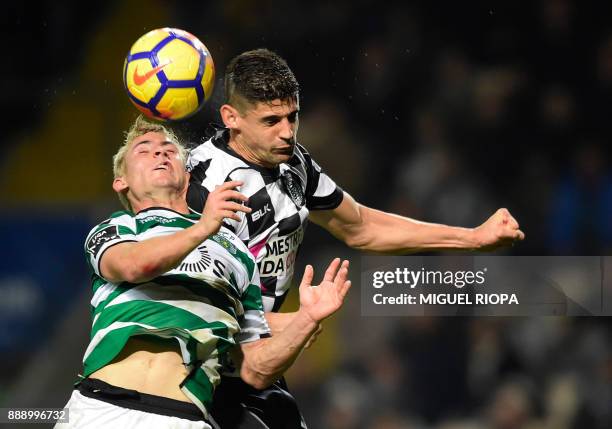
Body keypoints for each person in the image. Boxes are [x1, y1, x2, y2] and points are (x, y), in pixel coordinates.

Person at [186, 49, 525, 428]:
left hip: (260, 360)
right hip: (205, 370)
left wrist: (473, 238)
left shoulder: (293, 163)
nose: (287, 131)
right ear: (231, 118)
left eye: (292, 117)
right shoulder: (200, 184)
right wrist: (284, 323)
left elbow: (360, 226)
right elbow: (194, 302)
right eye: (271, 121)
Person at [56, 117, 352, 429]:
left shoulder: (237, 254)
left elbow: (256, 368)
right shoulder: (118, 229)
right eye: (144, 151)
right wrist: (203, 228)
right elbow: (133, 265)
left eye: (169, 150)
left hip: (188, 419)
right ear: (121, 181)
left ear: (186, 175)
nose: (160, 154)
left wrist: (306, 319)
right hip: (101, 409)